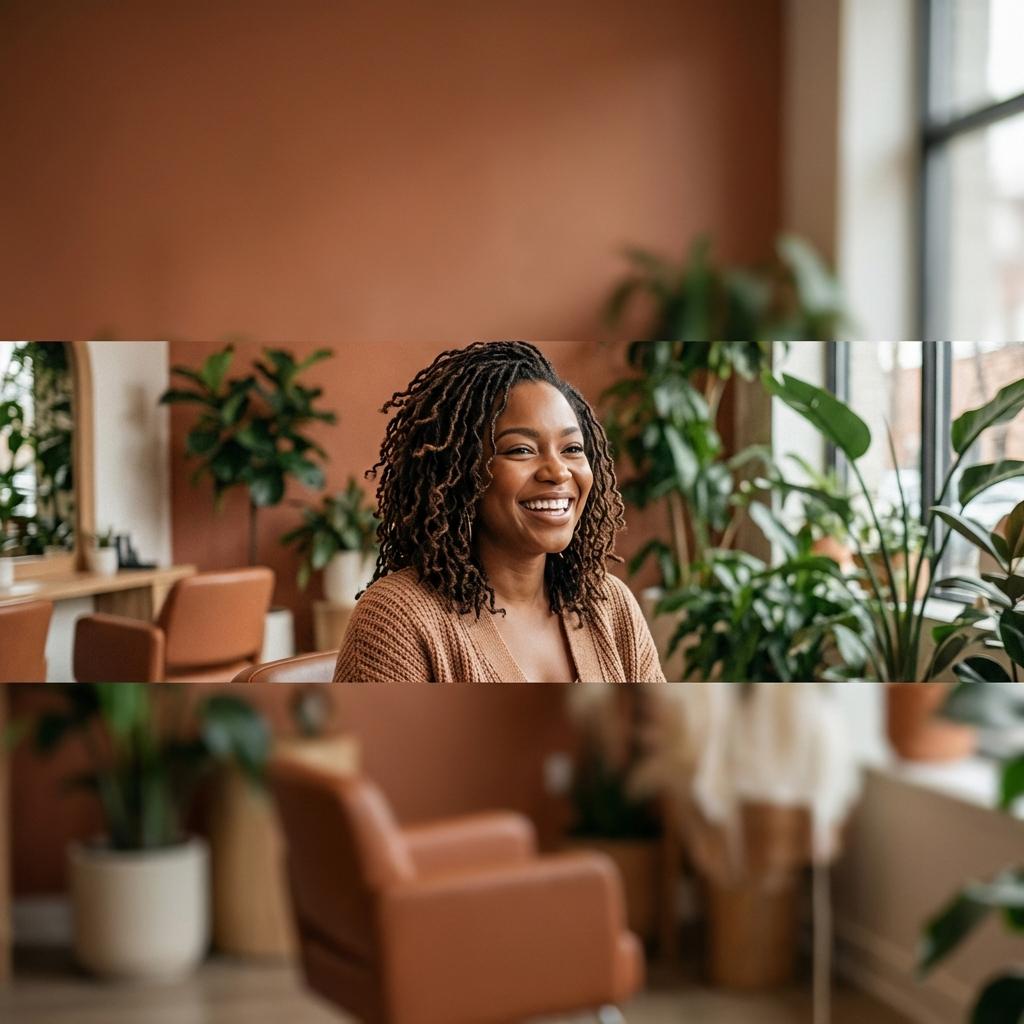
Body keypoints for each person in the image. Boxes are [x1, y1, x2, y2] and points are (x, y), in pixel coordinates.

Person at [333, 341, 666, 683]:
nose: (558, 471)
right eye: (521, 450)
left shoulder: (609, 604)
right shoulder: (400, 620)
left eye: (572, 449)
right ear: (459, 471)